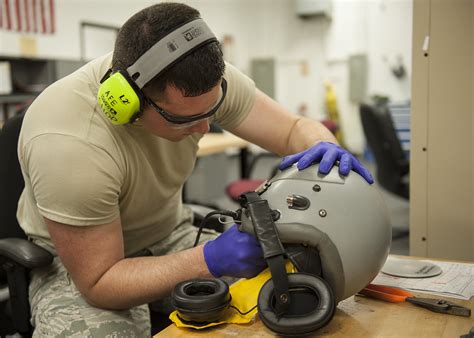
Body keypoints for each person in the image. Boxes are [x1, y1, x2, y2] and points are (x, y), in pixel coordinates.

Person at [17, 3, 373, 337]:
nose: (204, 129)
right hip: (81, 267)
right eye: (185, 119)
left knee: (295, 296)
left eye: (212, 111)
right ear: (127, 102)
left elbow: (293, 129)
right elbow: (99, 282)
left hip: (169, 235)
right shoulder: (69, 139)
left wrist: (325, 145)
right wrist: (210, 258)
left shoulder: (198, 85)